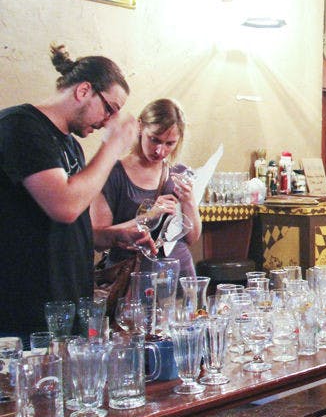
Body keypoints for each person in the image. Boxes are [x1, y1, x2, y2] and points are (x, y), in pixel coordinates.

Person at [0, 44, 146, 341]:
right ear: (83, 90)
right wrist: (113, 146)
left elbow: (73, 226)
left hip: (68, 304)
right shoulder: (20, 126)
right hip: (27, 310)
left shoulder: (71, 145)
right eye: (110, 108)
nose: (109, 120)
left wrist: (111, 235)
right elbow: (64, 206)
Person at [91, 98, 202, 277]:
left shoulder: (180, 173)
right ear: (140, 127)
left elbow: (192, 238)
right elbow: (97, 238)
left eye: (169, 143)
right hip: (131, 276)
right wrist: (148, 217)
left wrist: (188, 201)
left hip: (179, 272)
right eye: (154, 140)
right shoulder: (113, 173)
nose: (160, 151)